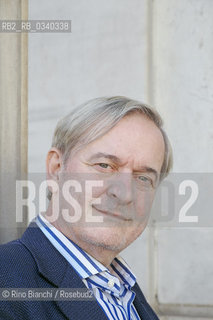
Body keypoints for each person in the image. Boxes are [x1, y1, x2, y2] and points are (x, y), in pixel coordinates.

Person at [0, 96, 172, 319]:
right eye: (105, 166)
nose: (124, 194)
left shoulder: (127, 294)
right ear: (56, 168)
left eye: (143, 178)